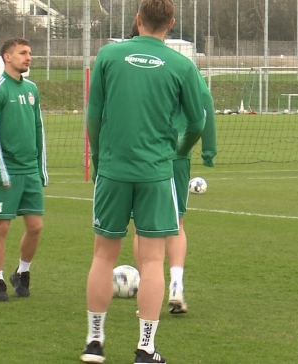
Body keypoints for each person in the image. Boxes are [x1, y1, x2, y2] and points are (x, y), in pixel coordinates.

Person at [80, 1, 205, 363]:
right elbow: (196, 122)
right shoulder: (182, 64)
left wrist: (102, 161)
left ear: (137, 20)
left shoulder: (108, 55)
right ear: (171, 23)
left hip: (113, 171)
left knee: (103, 256)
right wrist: (178, 150)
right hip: (156, 173)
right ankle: (145, 349)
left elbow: (94, 115)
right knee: (151, 262)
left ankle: (94, 342)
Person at [128, 16, 218, 316]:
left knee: (142, 227)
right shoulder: (181, 65)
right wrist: (208, 150)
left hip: (142, 155)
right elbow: (205, 108)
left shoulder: (128, 65)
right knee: (175, 223)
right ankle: (176, 286)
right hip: (176, 156)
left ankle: (147, 284)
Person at [0, 38, 48, 301]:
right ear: (7, 57)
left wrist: (41, 168)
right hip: (5, 169)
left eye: (30, 53)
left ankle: (22, 272)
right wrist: (1, 170)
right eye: (23, 53)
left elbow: (38, 129)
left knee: (35, 227)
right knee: (2, 228)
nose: (28, 57)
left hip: (30, 170)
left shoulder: (32, 89)